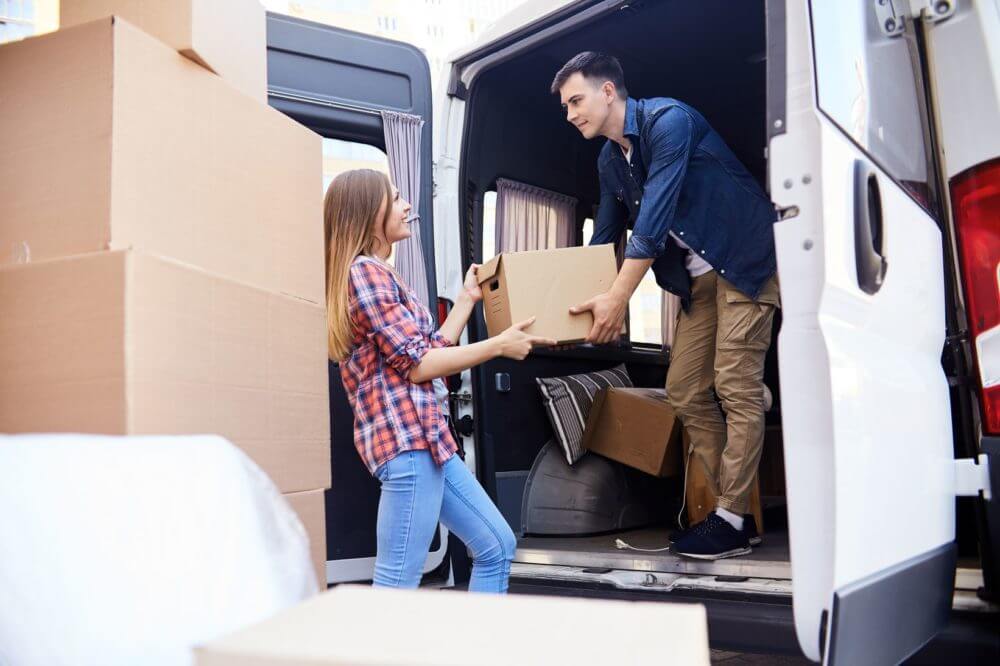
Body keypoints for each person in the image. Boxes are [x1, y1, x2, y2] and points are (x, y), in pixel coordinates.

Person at [551, 52, 779, 560]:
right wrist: (561, 307)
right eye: (565, 107)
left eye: (576, 101)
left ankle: (730, 519)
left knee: (733, 383)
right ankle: (734, 513)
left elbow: (651, 222)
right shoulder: (609, 160)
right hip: (697, 283)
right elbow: (606, 240)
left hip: (744, 260)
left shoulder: (668, 122)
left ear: (609, 91)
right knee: (683, 389)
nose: (570, 115)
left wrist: (618, 300)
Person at [324, 169, 555, 590]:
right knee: (397, 583)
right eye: (395, 199)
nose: (406, 206)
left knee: (496, 544)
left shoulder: (380, 272)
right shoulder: (365, 274)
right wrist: (497, 346)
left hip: (428, 442)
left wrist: (467, 301)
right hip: (407, 445)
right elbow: (418, 365)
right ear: (367, 212)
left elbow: (430, 346)